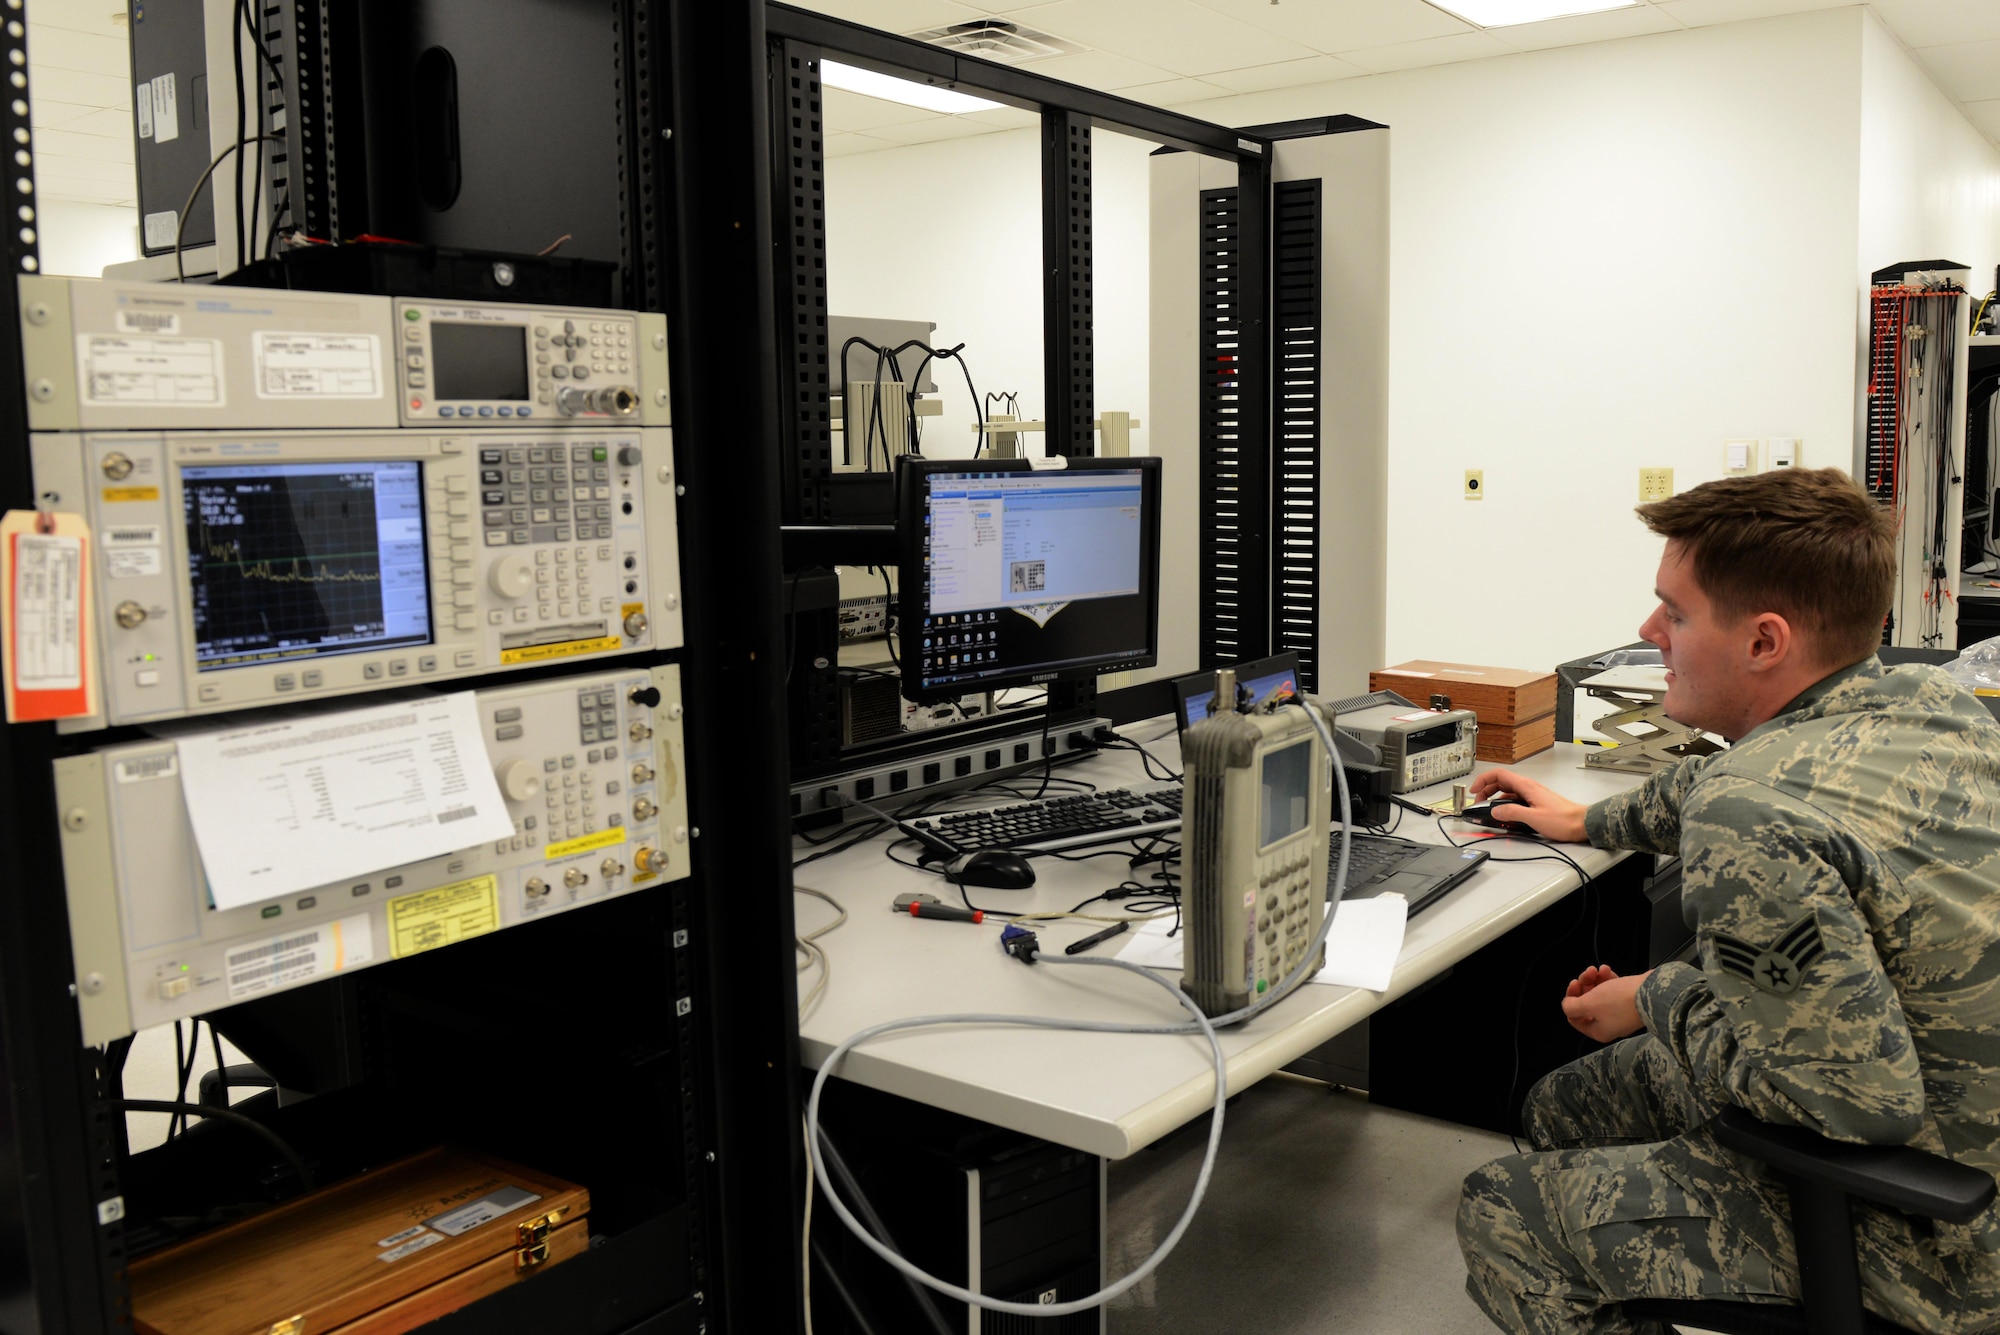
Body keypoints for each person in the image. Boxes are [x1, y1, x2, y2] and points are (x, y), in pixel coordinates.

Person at [1455, 467, 2000, 1335]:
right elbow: (1710, 780)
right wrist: (1584, 817)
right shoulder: (1930, 701)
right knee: (1564, 1104)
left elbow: (1854, 1104)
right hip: (1964, 1131)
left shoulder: (1749, 814)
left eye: (1674, 612)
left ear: (1764, 641)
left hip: (1945, 1239)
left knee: (1503, 1211)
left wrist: (1656, 994)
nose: (1648, 630)